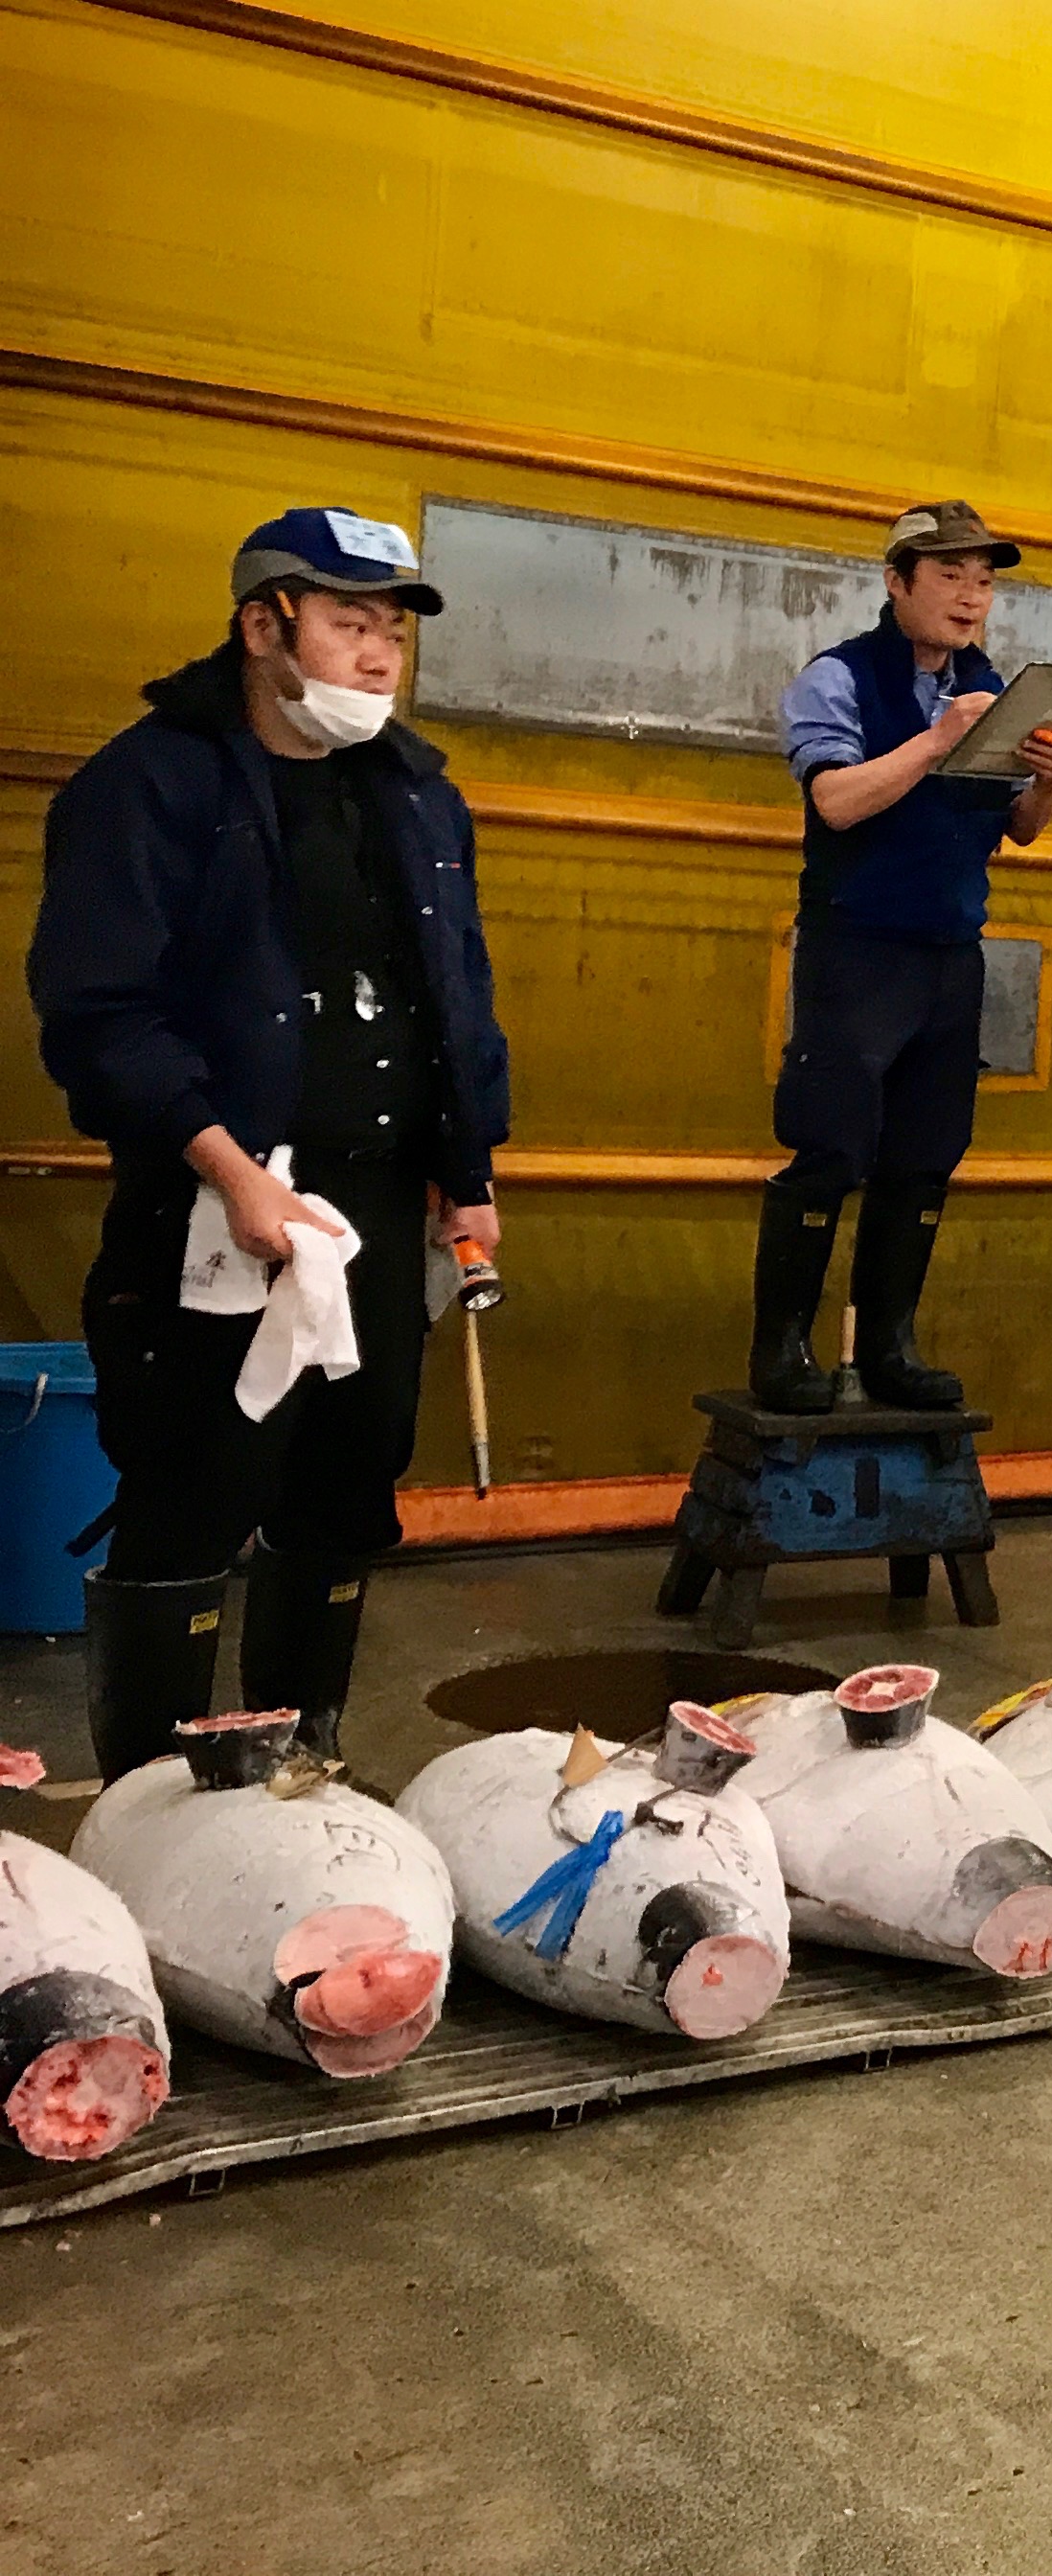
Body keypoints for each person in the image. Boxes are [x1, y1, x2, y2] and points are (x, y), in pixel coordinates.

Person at [30, 508, 510, 1778]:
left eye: (392, 631)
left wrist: (469, 1175)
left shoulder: (414, 791)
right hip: (214, 1201)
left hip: (377, 1197)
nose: (378, 657)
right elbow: (98, 1010)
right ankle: (152, 1790)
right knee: (195, 1485)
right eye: (350, 622)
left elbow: (454, 987)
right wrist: (231, 1170)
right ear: (262, 624)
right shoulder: (150, 783)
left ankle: (302, 1764)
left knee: (349, 1485)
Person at [744, 500, 1052, 1416]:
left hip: (950, 955)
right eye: (950, 576)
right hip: (858, 949)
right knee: (829, 1150)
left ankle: (889, 1347)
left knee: (927, 1157)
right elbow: (838, 802)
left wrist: (1045, 785)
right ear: (897, 583)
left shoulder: (993, 684)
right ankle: (781, 1352)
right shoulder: (838, 678)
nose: (972, 597)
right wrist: (936, 740)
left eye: (984, 580)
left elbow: (1018, 831)